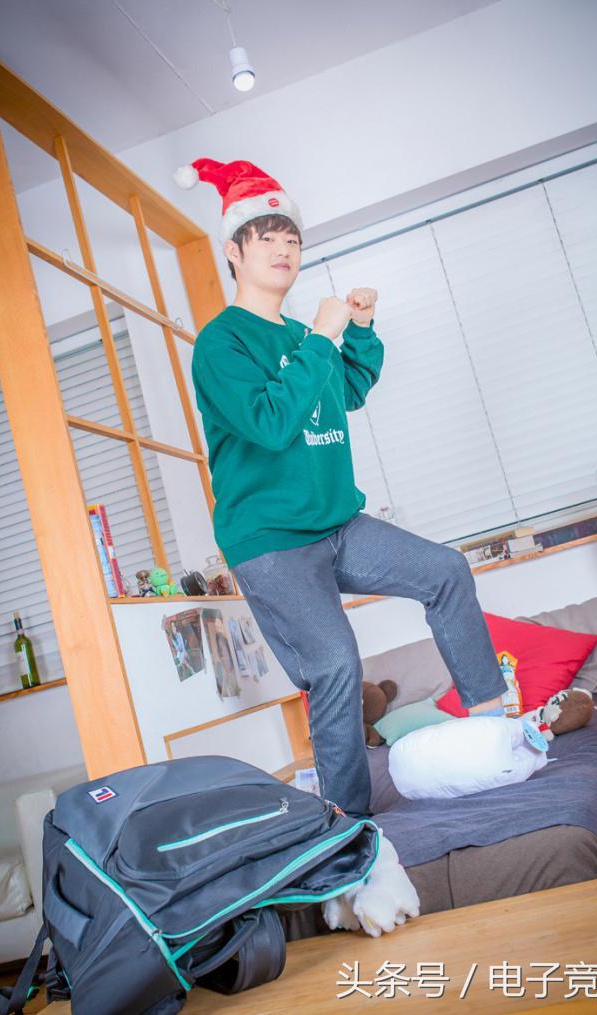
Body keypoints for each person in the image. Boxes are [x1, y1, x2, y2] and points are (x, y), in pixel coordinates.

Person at [176, 158, 508, 821]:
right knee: (333, 664)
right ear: (234, 252)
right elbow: (271, 423)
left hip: (338, 521)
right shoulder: (220, 344)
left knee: (446, 571)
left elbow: (346, 390)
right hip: (272, 541)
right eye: (267, 238)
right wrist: (324, 337)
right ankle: (348, 825)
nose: (283, 249)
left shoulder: (305, 336)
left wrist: (356, 330)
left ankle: (494, 733)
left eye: (291, 239)